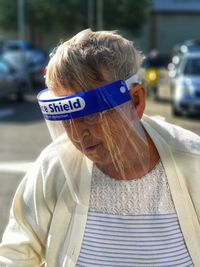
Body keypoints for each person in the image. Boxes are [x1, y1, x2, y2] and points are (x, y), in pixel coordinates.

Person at [0, 29, 199, 267]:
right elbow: (15, 255)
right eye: (67, 119)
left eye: (92, 116)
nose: (78, 134)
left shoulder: (192, 160)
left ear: (136, 101)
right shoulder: (54, 167)